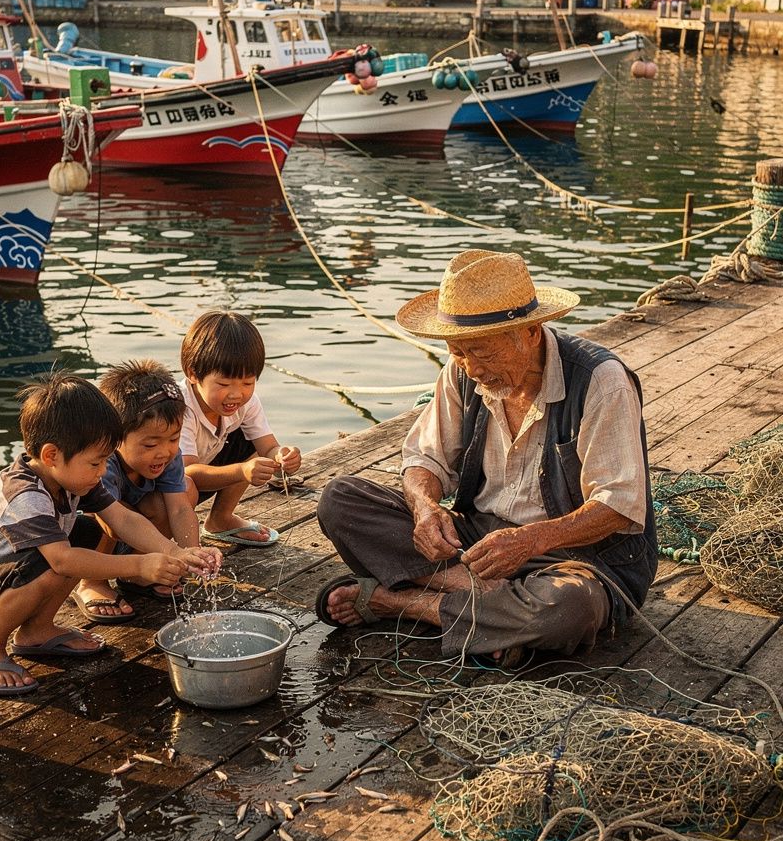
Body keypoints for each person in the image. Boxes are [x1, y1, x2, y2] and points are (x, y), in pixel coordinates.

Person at [316, 249, 657, 664]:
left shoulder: (601, 381)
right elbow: (423, 458)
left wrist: (531, 540)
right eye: (457, 351)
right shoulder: (461, 371)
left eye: (483, 352)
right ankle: (487, 605)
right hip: (477, 543)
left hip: (573, 557)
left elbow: (618, 506)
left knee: (569, 609)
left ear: (531, 332)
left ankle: (402, 603)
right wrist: (425, 509)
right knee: (341, 499)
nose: (472, 368)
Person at [0, 372, 214, 697]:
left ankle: (37, 632)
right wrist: (140, 565)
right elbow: (63, 561)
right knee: (50, 559)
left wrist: (174, 552)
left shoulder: (69, 478)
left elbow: (122, 519)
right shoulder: (24, 496)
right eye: (96, 463)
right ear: (51, 455)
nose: (103, 471)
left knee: (86, 531)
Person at [73, 360, 211, 622]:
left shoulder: (168, 456)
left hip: (137, 537)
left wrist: (192, 554)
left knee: (186, 489)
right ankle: (92, 582)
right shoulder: (102, 465)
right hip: (96, 541)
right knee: (98, 518)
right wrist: (173, 552)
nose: (164, 451)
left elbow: (179, 509)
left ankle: (135, 575)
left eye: (173, 439)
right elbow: (116, 523)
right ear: (116, 437)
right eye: (150, 445)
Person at [180, 310, 301, 545]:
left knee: (251, 443)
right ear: (193, 374)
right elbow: (187, 472)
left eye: (248, 382)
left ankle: (220, 518)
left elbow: (267, 447)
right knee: (186, 486)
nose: (236, 394)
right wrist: (242, 471)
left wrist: (283, 456)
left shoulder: (246, 403)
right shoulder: (179, 408)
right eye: (224, 384)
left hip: (208, 472)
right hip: (166, 490)